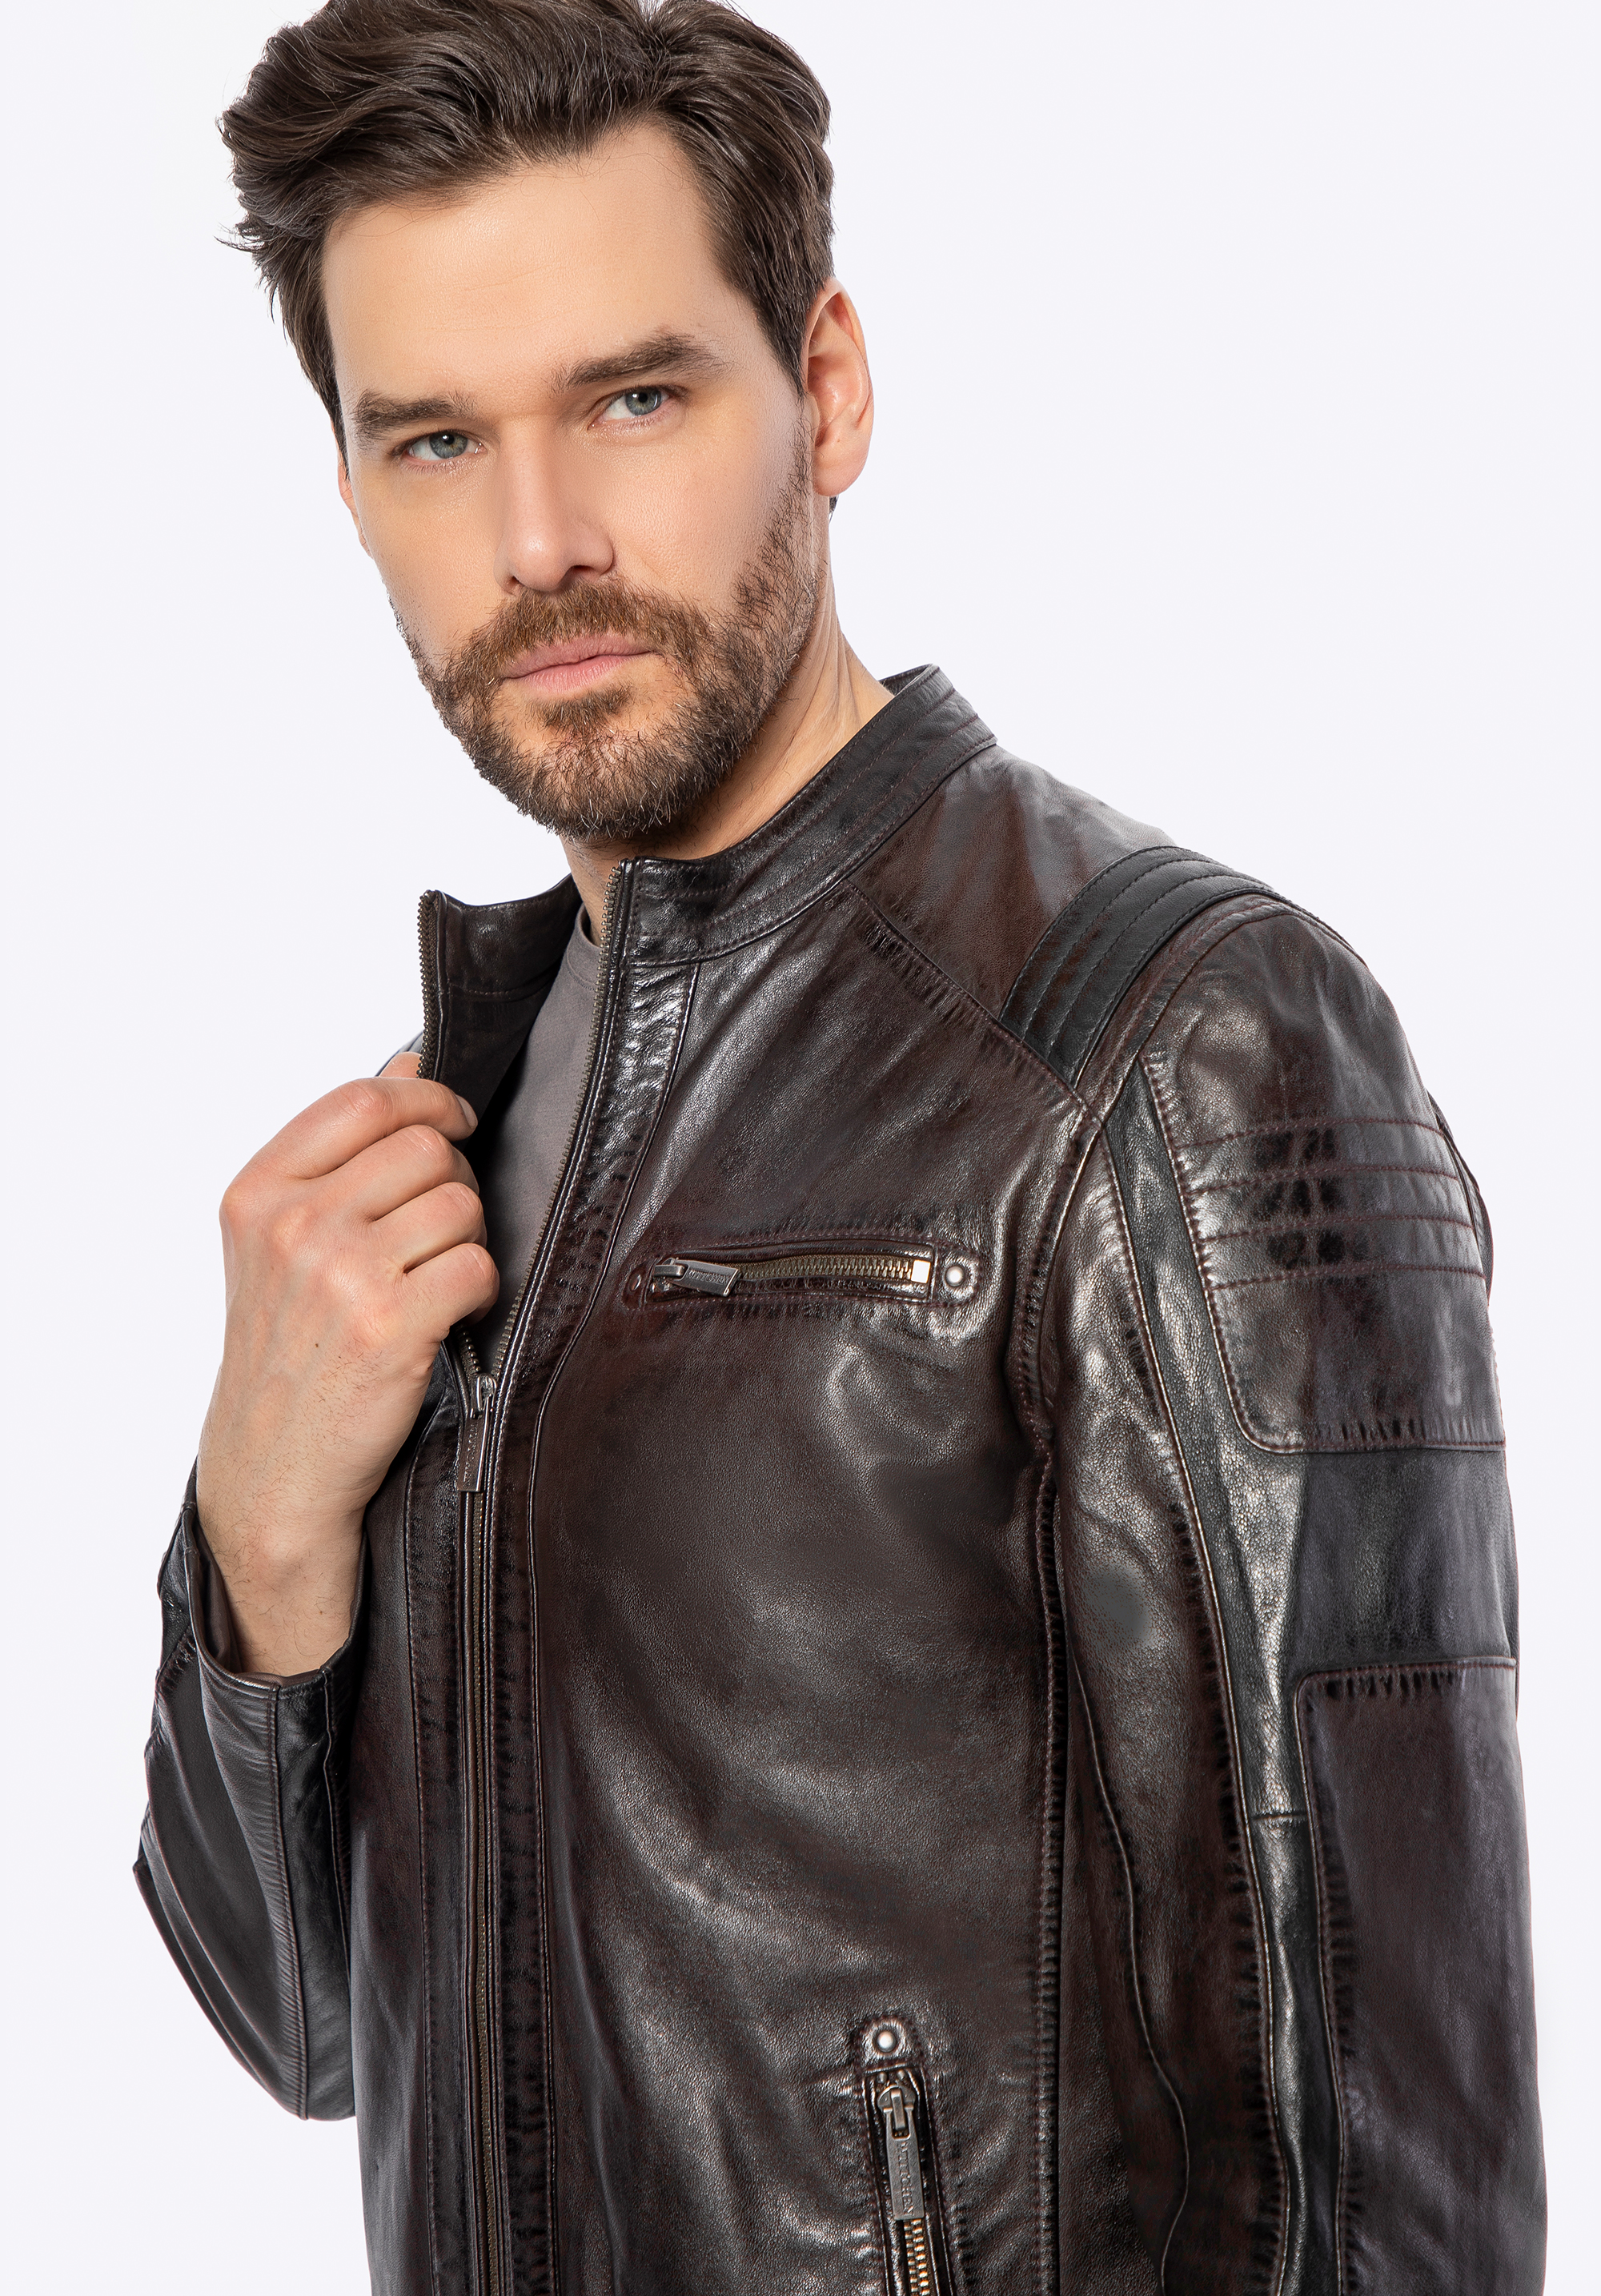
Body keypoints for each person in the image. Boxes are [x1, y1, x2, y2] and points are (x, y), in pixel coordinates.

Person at [136, 3, 1544, 2290]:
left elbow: (1396, 2174)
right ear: (353, 483)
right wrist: (263, 1530)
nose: (539, 542)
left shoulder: (1174, 1040)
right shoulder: (462, 1116)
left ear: (831, 387)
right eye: (436, 440)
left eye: (634, 398)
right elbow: (316, 2031)